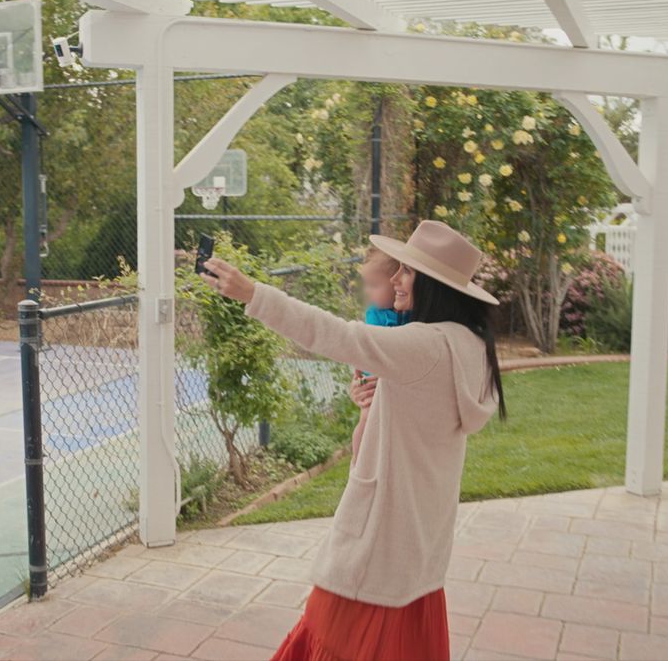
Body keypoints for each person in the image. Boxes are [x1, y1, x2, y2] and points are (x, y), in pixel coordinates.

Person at [200, 220, 506, 661]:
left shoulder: (422, 345)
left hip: (378, 543)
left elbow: (337, 334)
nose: (396, 280)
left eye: (407, 272)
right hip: (419, 543)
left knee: (332, 642)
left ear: (433, 286)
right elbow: (415, 414)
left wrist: (254, 294)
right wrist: (374, 404)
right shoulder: (470, 346)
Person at [352, 246, 412, 466]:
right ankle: (359, 465)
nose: (367, 292)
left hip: (397, 385)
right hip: (374, 383)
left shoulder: (413, 314)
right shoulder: (374, 314)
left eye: (374, 285)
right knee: (367, 419)